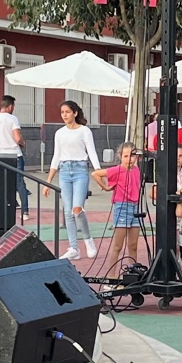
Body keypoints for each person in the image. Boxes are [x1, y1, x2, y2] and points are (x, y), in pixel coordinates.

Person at [46, 99, 103, 262]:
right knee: (68, 211)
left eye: (68, 112)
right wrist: (49, 180)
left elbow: (91, 152)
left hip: (80, 169)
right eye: (62, 112)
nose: (64, 115)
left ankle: (88, 240)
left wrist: (98, 172)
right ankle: (73, 248)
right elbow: (56, 156)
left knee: (77, 209)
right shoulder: (59, 133)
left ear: (75, 113)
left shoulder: (84, 131)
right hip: (64, 170)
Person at [100, 143, 147, 273]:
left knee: (133, 245)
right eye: (126, 156)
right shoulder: (117, 170)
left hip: (135, 206)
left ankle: (133, 273)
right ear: (120, 157)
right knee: (118, 245)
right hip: (122, 205)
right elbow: (96, 174)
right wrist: (105, 187)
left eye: (132, 156)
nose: (129, 159)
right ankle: (111, 275)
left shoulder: (137, 170)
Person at [0, 97, 27, 220]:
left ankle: (4, 209)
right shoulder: (13, 119)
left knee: (3, 183)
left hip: (0, 153)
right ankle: (24, 212)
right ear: (10, 106)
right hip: (15, 153)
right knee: (20, 183)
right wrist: (23, 143)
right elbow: (18, 137)